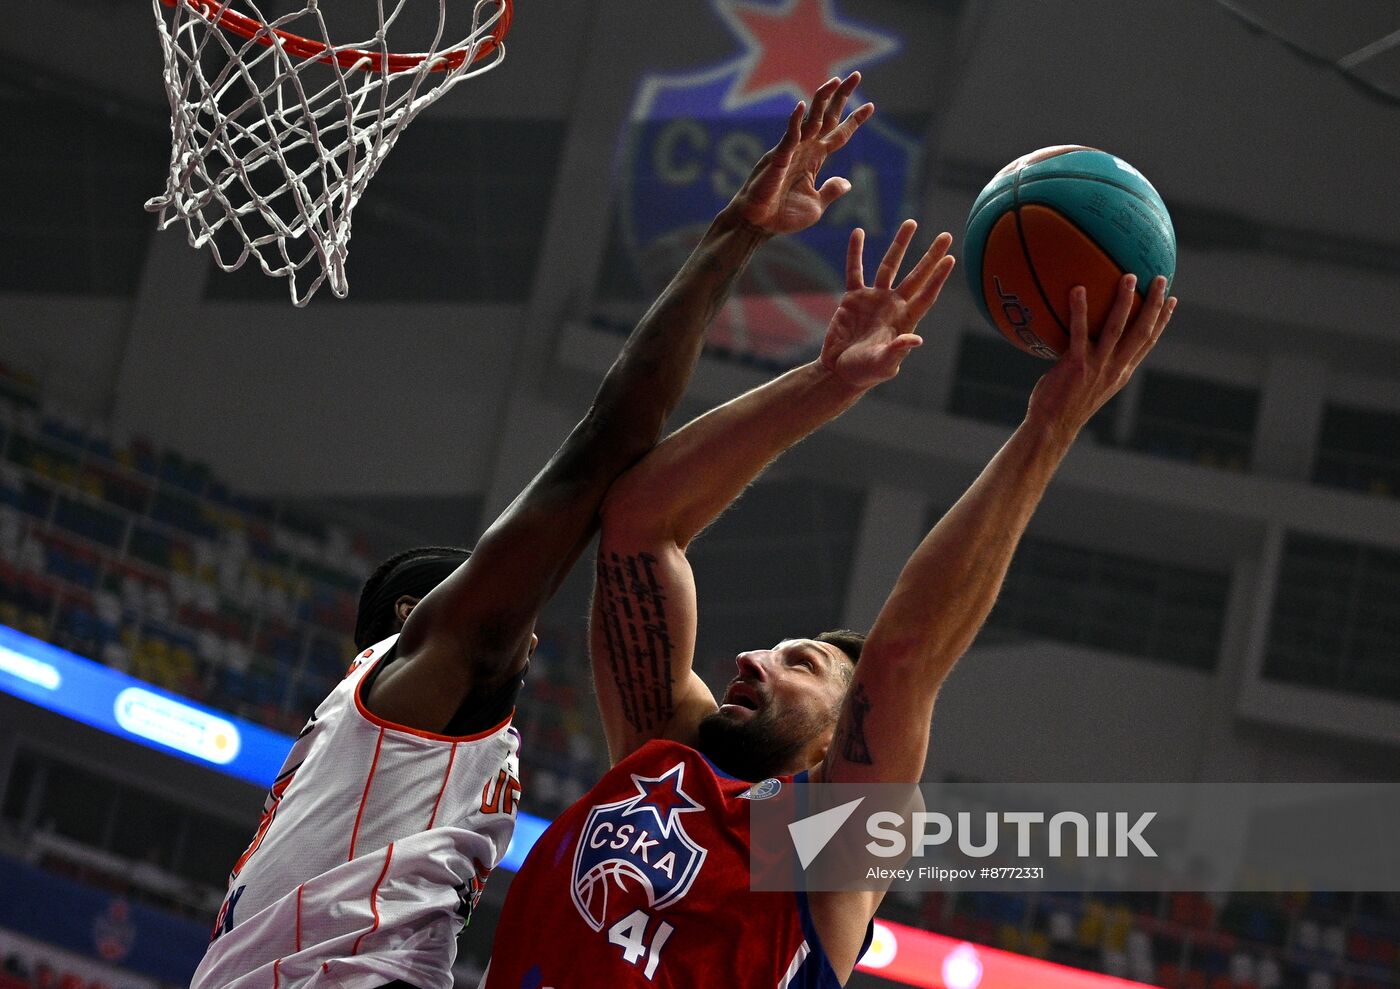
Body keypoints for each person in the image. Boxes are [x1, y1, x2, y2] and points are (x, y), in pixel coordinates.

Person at [189, 74, 877, 989]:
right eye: (488, 589)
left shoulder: (415, 757)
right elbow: (609, 461)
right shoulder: (430, 678)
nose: (527, 616)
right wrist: (734, 238)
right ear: (414, 611)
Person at [483, 222, 1176, 987]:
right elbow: (641, 522)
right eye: (774, 650)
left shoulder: (816, 846)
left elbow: (903, 657)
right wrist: (828, 382)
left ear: (834, 744)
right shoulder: (663, 755)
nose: (751, 658)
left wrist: (1048, 429)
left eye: (800, 662)